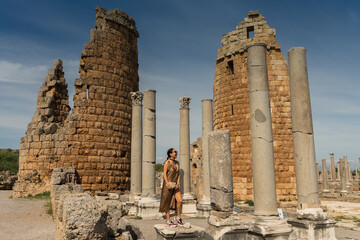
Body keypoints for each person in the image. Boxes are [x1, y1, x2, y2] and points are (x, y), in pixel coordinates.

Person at [159, 148, 183, 227]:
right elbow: (165, 174)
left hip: (175, 185)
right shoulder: (167, 162)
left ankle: (178, 217)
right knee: (167, 202)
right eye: (174, 152)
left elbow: (178, 174)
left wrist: (178, 183)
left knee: (180, 200)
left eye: (176, 152)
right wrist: (167, 183)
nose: (176, 153)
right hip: (168, 185)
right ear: (170, 154)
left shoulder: (177, 163)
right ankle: (168, 221)